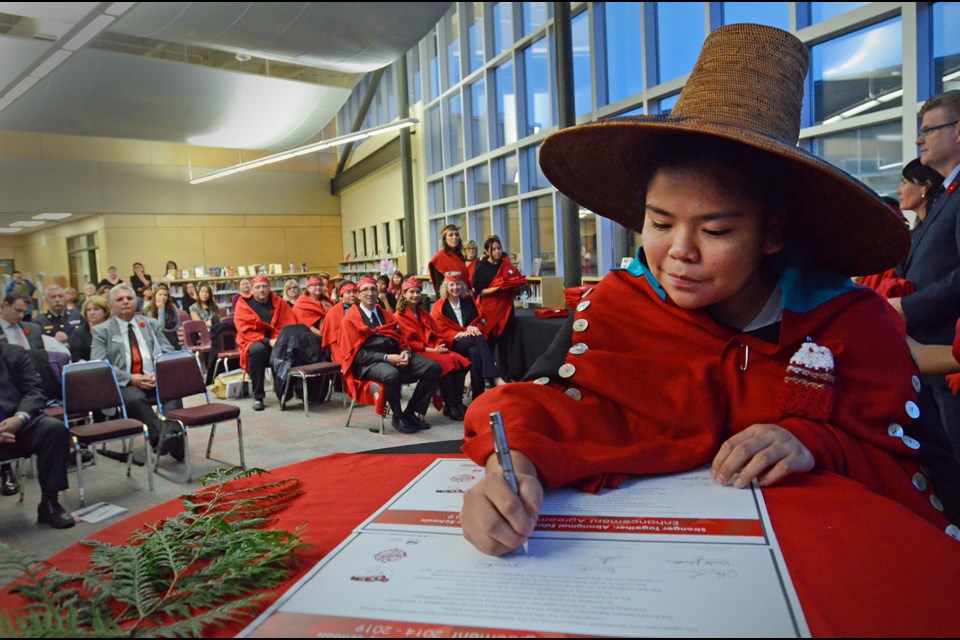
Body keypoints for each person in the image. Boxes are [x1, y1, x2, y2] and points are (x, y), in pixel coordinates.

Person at [458, 24, 959, 556]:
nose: (680, 251)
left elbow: (922, 469)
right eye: (659, 222)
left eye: (716, 231)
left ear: (773, 233)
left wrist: (817, 442)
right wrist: (508, 470)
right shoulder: (620, 306)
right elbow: (550, 404)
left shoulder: (851, 325)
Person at [890, 90, 960, 462]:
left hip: (949, 356)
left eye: (929, 130)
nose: (919, 139)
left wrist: (907, 307)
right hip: (931, 356)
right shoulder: (948, 194)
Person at [91, 284, 183, 461]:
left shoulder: (150, 324)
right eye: (120, 299)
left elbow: (168, 350)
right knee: (134, 399)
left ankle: (169, 438)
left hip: (154, 377)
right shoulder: (102, 331)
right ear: (110, 306)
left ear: (136, 302)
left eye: (129, 298)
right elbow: (100, 363)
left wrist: (159, 371)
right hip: (126, 383)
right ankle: (165, 439)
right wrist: (130, 378)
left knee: (173, 392)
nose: (126, 302)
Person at [338, 277, 442, 433]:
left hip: (394, 356)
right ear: (358, 295)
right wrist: (387, 358)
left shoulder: (387, 315)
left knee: (433, 367)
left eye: (373, 289)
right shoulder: (349, 320)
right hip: (368, 363)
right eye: (365, 290)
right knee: (391, 374)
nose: (370, 293)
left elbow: (401, 339)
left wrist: (404, 353)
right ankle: (398, 416)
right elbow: (357, 355)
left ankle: (411, 412)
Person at [0, 342, 75, 528]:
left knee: (54, 429)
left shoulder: (13, 353)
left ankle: (50, 503)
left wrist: (19, 418)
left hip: (17, 420)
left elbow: (35, 390)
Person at [395, 276, 470, 420]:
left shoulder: (423, 313)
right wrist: (433, 350)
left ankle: (456, 402)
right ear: (404, 294)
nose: (415, 295)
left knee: (460, 360)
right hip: (417, 353)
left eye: (418, 292)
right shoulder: (399, 316)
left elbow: (437, 333)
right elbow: (408, 343)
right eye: (411, 292)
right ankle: (449, 404)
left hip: (433, 349)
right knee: (448, 362)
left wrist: (439, 345)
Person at [431, 274, 505, 402]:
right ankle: (495, 377)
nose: (455, 287)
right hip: (452, 343)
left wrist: (473, 328)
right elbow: (439, 330)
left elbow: (477, 322)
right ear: (446, 287)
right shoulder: (439, 306)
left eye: (458, 284)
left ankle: (478, 397)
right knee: (478, 339)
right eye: (452, 285)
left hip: (471, 342)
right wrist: (460, 333)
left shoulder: (468, 301)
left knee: (475, 353)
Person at [234, 276, 297, 411]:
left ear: (269, 288)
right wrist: (267, 341)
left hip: (277, 340)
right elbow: (245, 329)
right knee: (257, 350)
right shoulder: (243, 304)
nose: (261, 290)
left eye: (264, 287)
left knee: (288, 348)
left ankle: (285, 392)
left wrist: (279, 340)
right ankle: (258, 396)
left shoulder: (279, 303)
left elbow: (288, 324)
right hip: (254, 341)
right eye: (257, 287)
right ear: (252, 289)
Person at [473, 235, 527, 376]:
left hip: (506, 310)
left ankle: (505, 374)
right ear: (487, 251)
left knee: (505, 345)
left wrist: (516, 285)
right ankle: (490, 375)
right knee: (490, 344)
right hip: (490, 311)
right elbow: (481, 291)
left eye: (499, 248)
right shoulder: (481, 268)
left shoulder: (506, 265)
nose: (497, 252)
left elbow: (515, 282)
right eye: (494, 249)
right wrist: (499, 288)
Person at [898, 158, 946, 227]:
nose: (898, 191)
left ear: (925, 187)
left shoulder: (939, 227)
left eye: (904, 183)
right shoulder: (922, 228)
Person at [428, 224, 471, 294]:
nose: (454, 237)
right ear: (445, 239)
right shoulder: (439, 258)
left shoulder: (460, 256)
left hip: (463, 296)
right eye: (450, 235)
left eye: (456, 235)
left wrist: (469, 289)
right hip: (449, 297)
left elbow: (464, 278)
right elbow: (439, 287)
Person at [320, 281, 357, 360]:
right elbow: (331, 337)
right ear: (340, 296)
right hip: (341, 347)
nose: (352, 295)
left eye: (354, 291)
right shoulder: (333, 313)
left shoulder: (364, 308)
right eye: (348, 292)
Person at [68, 295, 110, 362]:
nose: (92, 313)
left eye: (96, 309)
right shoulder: (79, 332)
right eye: (89, 310)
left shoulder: (112, 329)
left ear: (105, 312)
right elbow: (76, 356)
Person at [142, 285, 181, 349]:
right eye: (160, 294)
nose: (163, 297)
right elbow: (159, 328)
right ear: (155, 296)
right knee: (164, 334)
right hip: (157, 338)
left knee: (170, 336)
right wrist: (161, 309)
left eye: (165, 295)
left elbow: (177, 324)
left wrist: (170, 331)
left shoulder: (172, 306)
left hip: (172, 334)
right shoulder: (148, 310)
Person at [293, 277, 330, 341]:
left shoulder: (327, 300)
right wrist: (323, 335)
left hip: (328, 334)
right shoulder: (301, 303)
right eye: (315, 285)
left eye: (320, 285)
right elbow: (306, 324)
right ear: (308, 288)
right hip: (309, 339)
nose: (318, 287)